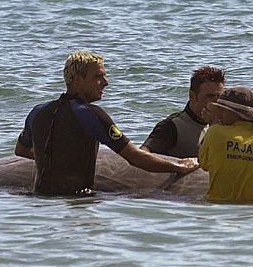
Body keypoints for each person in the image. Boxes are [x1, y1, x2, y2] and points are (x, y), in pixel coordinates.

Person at [15, 51, 198, 196]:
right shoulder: (90, 115)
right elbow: (135, 158)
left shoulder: (38, 112)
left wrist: (58, 159)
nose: (105, 83)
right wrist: (179, 166)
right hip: (76, 201)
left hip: (40, 202)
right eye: (98, 77)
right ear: (77, 80)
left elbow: (21, 151)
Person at [140, 66, 225, 158]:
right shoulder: (172, 126)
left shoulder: (225, 125)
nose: (216, 102)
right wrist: (178, 166)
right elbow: (142, 156)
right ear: (192, 96)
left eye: (219, 96)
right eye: (210, 96)